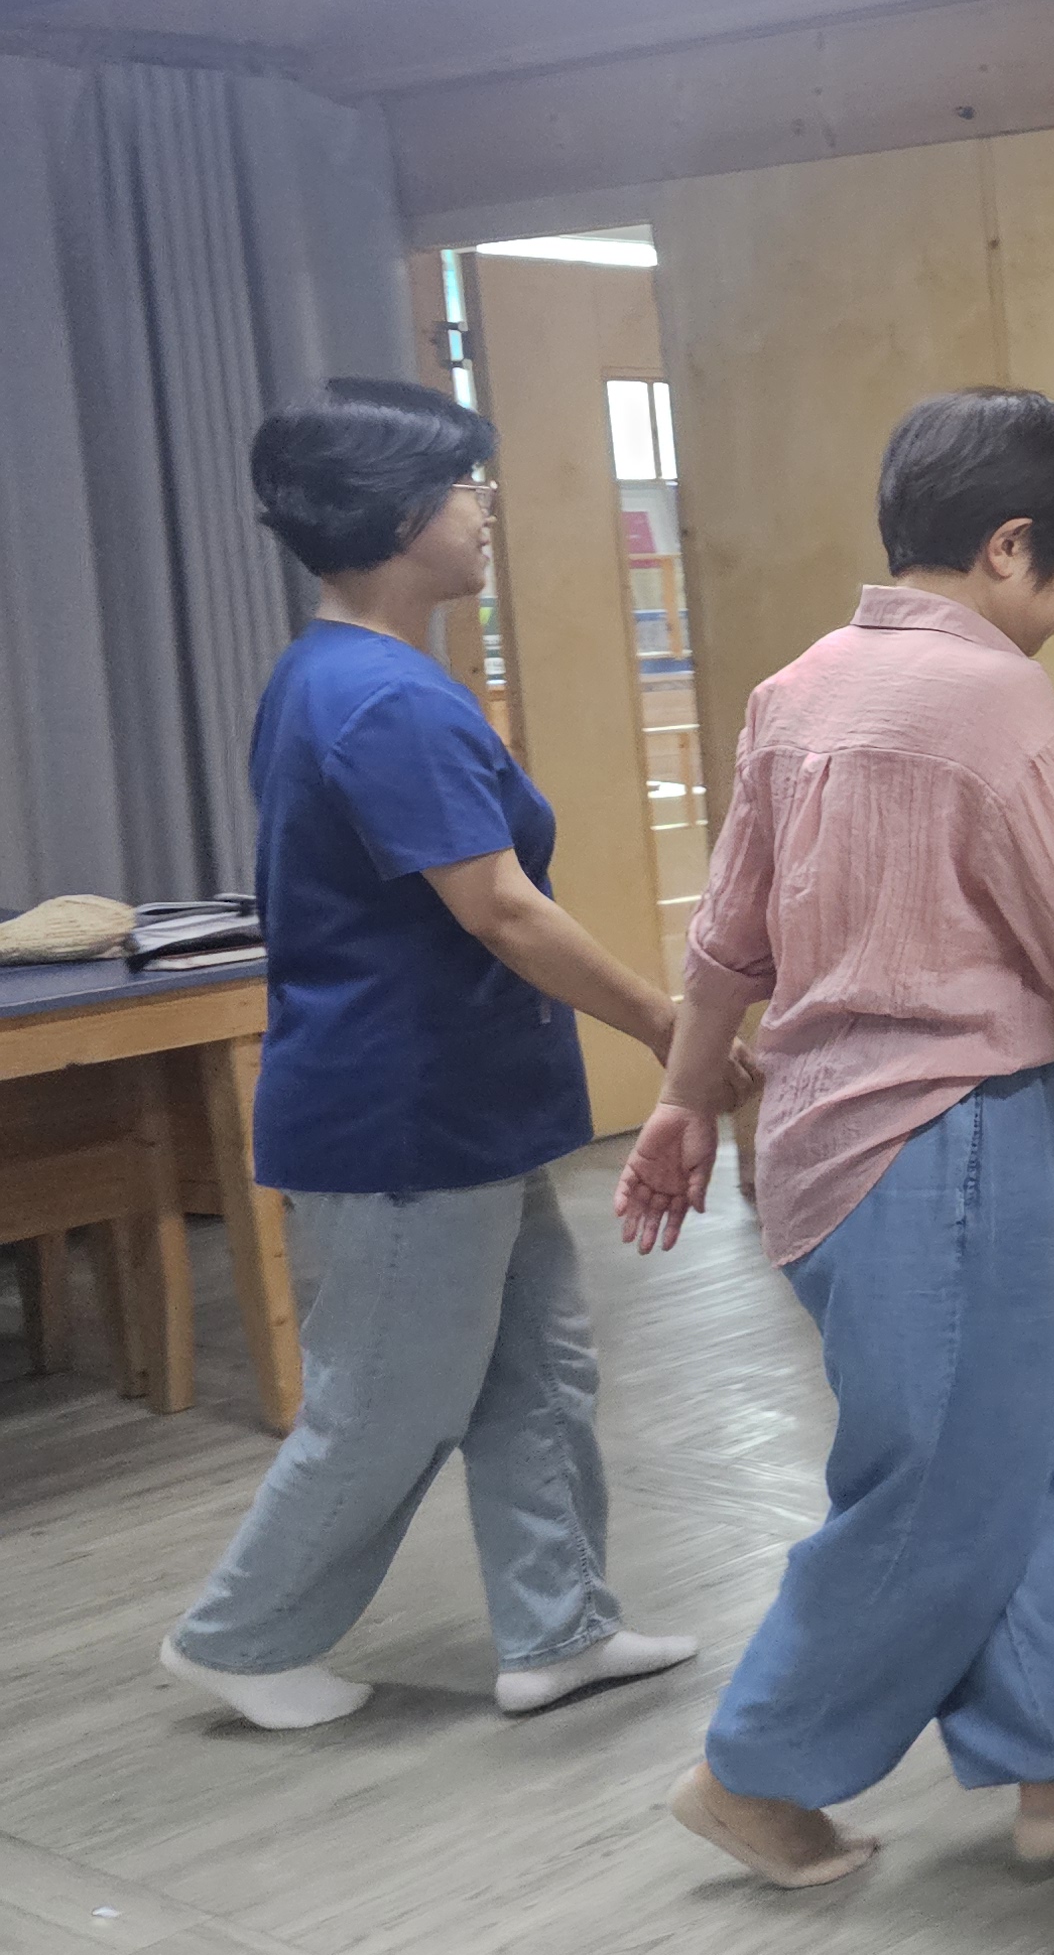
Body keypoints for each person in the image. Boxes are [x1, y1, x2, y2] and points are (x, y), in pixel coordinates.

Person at [615, 387, 1054, 1889]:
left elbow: (727, 936)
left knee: (1027, 1452)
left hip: (841, 1137)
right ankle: (754, 1771)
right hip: (949, 1139)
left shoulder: (797, 690)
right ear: (1009, 546)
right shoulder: (993, 701)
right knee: (937, 1489)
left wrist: (683, 1096)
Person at [160, 378, 709, 1730]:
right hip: (398, 1117)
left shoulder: (358, 675)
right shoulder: (377, 699)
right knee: (387, 1404)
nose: (485, 507)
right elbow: (500, 910)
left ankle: (558, 1628)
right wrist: (664, 1021)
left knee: (538, 1373)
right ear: (402, 512)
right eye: (467, 484)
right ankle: (241, 1638)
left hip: (466, 1104)